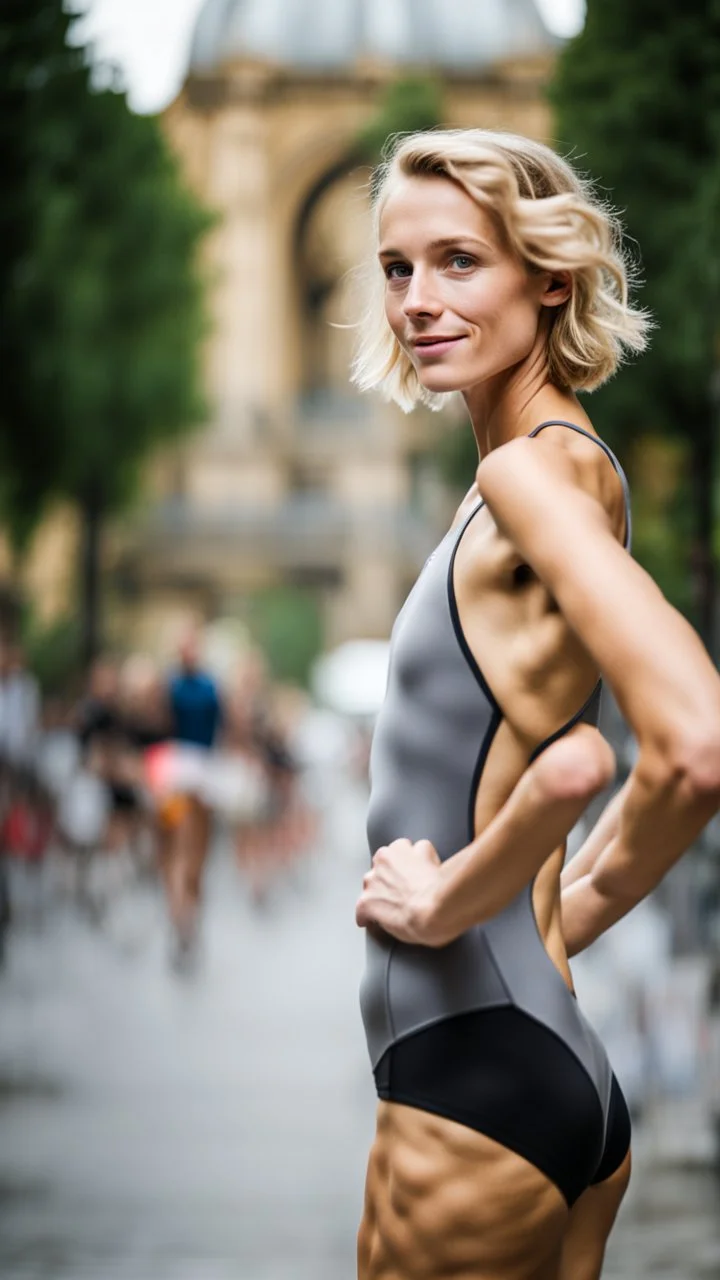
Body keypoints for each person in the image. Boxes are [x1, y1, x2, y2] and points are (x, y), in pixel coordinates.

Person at [352, 129, 720, 1280]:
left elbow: (690, 744)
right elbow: (572, 762)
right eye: (397, 268)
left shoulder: (528, 475)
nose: (418, 299)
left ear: (548, 276)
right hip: (537, 1064)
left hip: (471, 1090)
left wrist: (449, 903)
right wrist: (560, 921)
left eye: (460, 260)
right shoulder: (564, 467)